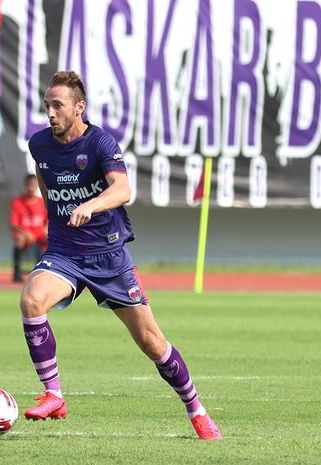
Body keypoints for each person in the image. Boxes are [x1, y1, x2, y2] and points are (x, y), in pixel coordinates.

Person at [20, 70, 222, 440]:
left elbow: (123, 189)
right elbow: (46, 183)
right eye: (47, 105)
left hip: (108, 257)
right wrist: (59, 221)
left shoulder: (100, 143)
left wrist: (91, 206)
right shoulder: (39, 145)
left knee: (152, 343)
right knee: (32, 301)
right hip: (65, 253)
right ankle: (54, 395)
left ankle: (198, 411)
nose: (50, 112)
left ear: (79, 108)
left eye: (58, 105)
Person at [10, 175, 48, 282]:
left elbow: (48, 220)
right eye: (29, 185)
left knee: (51, 236)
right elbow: (13, 224)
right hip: (25, 235)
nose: (32, 188)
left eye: (34, 185)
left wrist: (46, 228)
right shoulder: (18, 202)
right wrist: (25, 233)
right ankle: (17, 273)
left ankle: (46, 271)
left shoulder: (42, 202)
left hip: (39, 234)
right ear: (25, 186)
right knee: (19, 239)